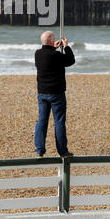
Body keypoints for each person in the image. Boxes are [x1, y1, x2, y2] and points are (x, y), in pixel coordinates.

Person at [34, 31, 75, 159]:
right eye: (54, 39)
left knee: (42, 120)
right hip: (56, 93)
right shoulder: (56, 55)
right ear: (51, 41)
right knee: (59, 122)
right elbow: (70, 60)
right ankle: (62, 151)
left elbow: (48, 54)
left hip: (42, 93)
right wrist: (67, 46)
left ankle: (40, 149)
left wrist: (54, 47)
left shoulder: (38, 54)